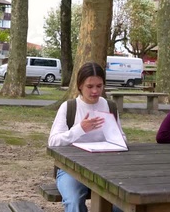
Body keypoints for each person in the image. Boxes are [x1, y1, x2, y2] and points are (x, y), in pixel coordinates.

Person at [48, 62, 125, 212]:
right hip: (71, 169)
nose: (95, 91)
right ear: (80, 86)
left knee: (121, 205)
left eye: (99, 86)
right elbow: (53, 141)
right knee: (73, 202)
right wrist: (80, 129)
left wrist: (114, 137)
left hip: (105, 168)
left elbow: (122, 138)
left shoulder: (109, 106)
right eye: (90, 86)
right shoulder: (69, 107)